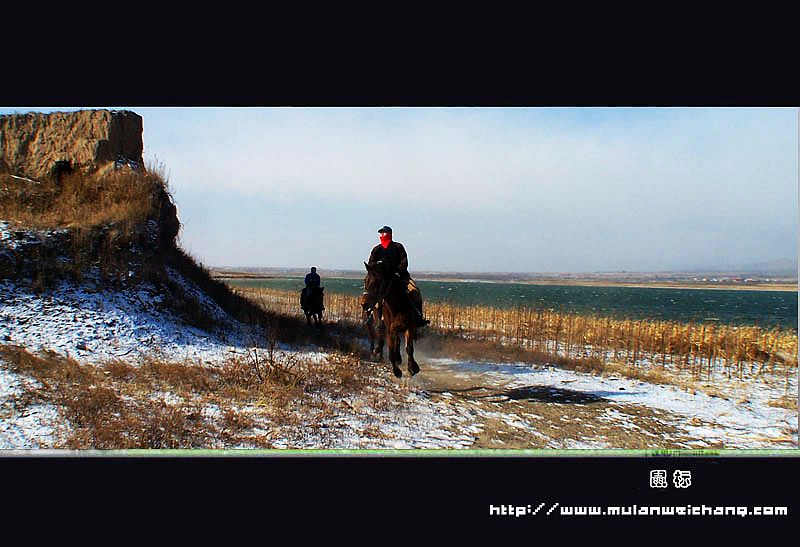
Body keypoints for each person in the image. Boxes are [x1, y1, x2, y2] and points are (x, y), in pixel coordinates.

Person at [367, 226, 429, 327]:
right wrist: (378, 267)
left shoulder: (398, 247)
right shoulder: (376, 249)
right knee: (374, 295)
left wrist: (398, 272)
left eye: (384, 233)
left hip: (401, 277)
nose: (382, 235)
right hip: (383, 280)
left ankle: (419, 317)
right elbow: (371, 265)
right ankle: (376, 320)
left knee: (415, 291)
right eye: (381, 233)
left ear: (390, 234)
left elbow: (404, 262)